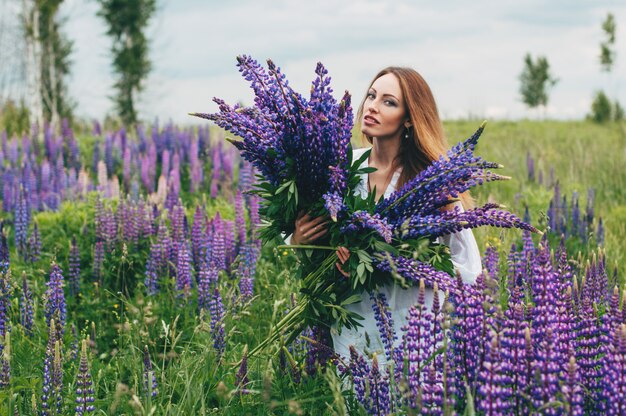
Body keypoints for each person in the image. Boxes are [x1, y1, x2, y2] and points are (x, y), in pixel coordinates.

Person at [289, 67, 482, 366]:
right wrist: (299, 240)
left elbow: (468, 267)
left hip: (414, 328)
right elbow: (317, 247)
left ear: (409, 117)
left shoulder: (430, 181)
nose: (372, 106)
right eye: (371, 95)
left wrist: (402, 263)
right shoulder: (341, 168)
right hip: (352, 326)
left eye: (388, 101)